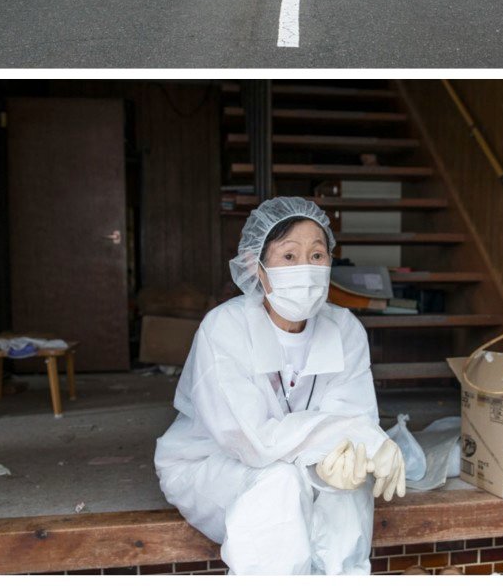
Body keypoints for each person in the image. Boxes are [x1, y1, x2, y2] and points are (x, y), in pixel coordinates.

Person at [155, 196, 405, 575]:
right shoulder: (225, 328)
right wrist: (356, 435)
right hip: (212, 463)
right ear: (257, 267)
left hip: (298, 456)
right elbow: (251, 440)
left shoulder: (345, 329)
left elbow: (352, 415)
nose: (306, 268)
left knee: (347, 487)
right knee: (279, 483)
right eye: (289, 257)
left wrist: (349, 454)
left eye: (317, 255)